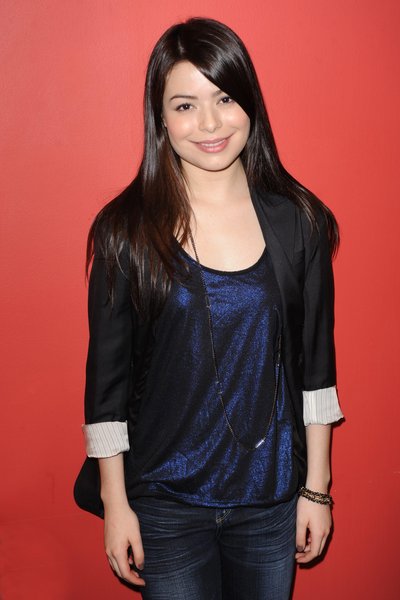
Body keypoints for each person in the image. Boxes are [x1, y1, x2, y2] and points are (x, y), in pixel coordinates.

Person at [74, 17, 344, 600]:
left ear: (249, 102)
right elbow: (106, 390)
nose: (210, 123)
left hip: (270, 505)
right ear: (160, 117)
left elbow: (317, 371)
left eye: (224, 98)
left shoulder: (299, 222)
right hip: (164, 505)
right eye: (185, 106)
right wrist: (116, 504)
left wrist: (316, 490)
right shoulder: (125, 232)